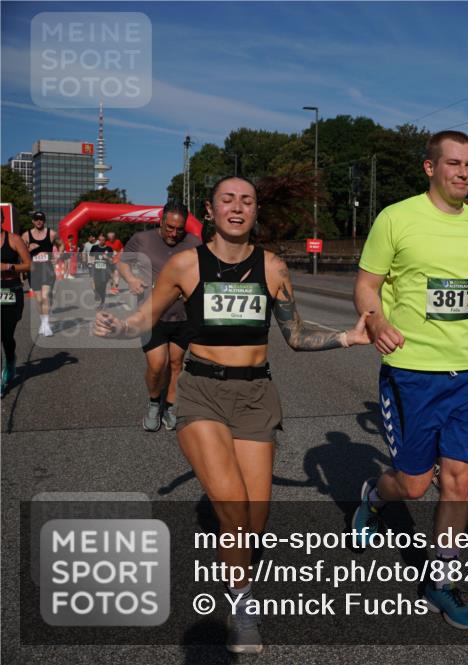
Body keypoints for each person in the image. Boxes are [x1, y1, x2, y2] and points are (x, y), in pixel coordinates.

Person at [94, 175, 372, 653]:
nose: (238, 207)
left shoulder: (274, 269)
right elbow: (146, 317)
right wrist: (119, 324)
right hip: (201, 392)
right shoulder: (185, 264)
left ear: (255, 210)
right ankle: (242, 605)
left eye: (247, 200)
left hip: (256, 396)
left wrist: (349, 337)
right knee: (234, 507)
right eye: (228, 200)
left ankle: (237, 568)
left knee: (255, 518)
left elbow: (296, 335)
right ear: (211, 209)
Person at [351, 130, 468, 630]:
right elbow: (366, 284)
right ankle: (372, 496)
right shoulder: (397, 218)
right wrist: (377, 320)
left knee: (458, 480)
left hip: (467, 373)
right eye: (454, 163)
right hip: (412, 374)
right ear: (430, 168)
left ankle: (441, 581)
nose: (464, 173)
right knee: (412, 485)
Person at [119, 201, 202, 432]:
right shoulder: (142, 239)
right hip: (151, 315)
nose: (174, 233)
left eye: (179, 229)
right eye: (170, 227)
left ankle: (171, 406)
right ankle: (154, 403)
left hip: (183, 316)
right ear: (161, 220)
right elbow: (123, 263)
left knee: (176, 364)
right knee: (157, 365)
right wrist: (132, 280)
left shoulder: (194, 243)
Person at [1, 228, 32, 394]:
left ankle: (10, 359)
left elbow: (28, 265)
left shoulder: (13, 239)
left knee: (6, 336)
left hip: (10, 290)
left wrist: (7, 266)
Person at [22, 211, 61, 336]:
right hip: (33, 270)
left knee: (45, 296)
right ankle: (43, 322)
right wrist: (29, 249)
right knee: (38, 300)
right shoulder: (26, 236)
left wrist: (57, 256)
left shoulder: (51, 234)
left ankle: (46, 325)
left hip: (47, 269)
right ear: (33, 221)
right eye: (36, 219)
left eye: (41, 219)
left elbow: (62, 245)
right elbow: (20, 252)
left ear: (44, 221)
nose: (39, 221)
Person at [88, 234, 115, 310]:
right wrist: (90, 263)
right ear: (98, 240)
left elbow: (112, 261)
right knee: (96, 284)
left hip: (105, 270)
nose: (101, 241)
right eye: (99, 240)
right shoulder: (94, 248)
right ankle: (96, 292)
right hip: (96, 269)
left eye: (102, 240)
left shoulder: (109, 249)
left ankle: (102, 303)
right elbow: (91, 257)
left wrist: (107, 258)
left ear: (105, 240)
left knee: (103, 287)